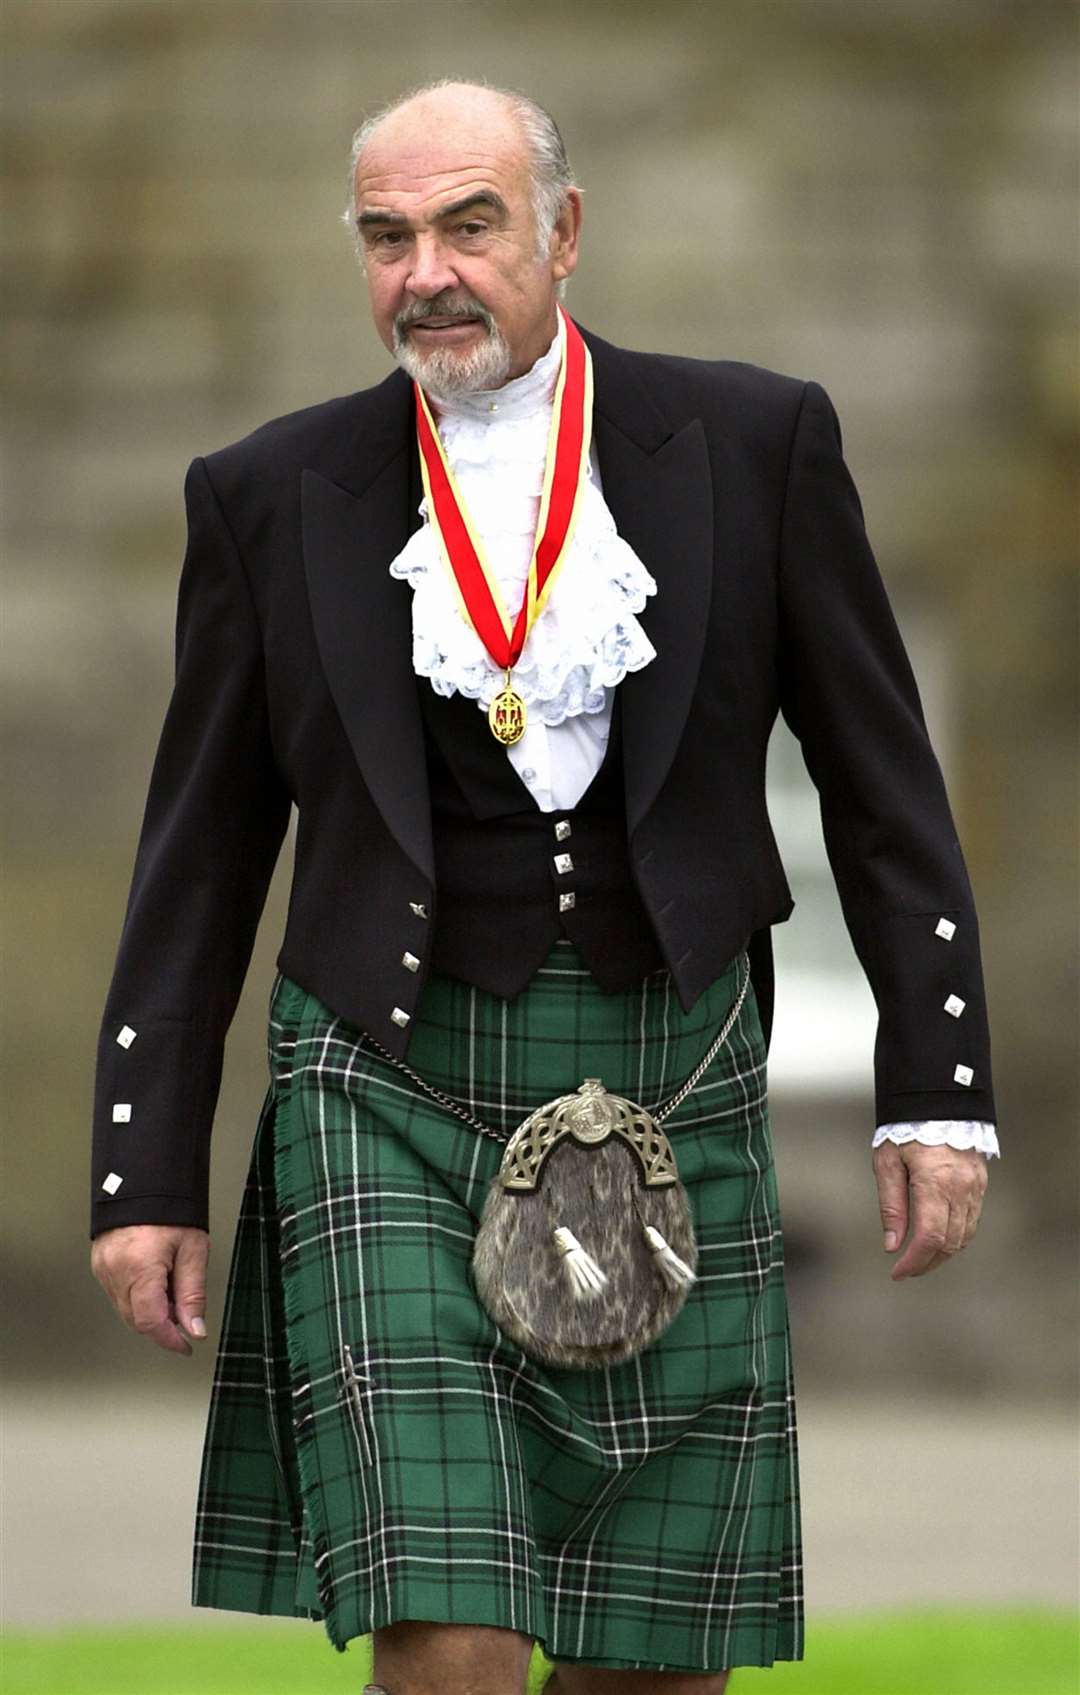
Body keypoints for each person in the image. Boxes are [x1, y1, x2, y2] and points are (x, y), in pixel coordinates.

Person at [89, 79, 998, 1695]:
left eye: (468, 223)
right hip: (381, 1087)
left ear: (565, 233)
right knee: (449, 1633)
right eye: (386, 237)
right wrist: (142, 1167)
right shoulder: (265, 493)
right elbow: (200, 857)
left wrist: (938, 1088)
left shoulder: (752, 442)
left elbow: (882, 788)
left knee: (657, 1659)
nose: (424, 271)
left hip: (678, 1070)